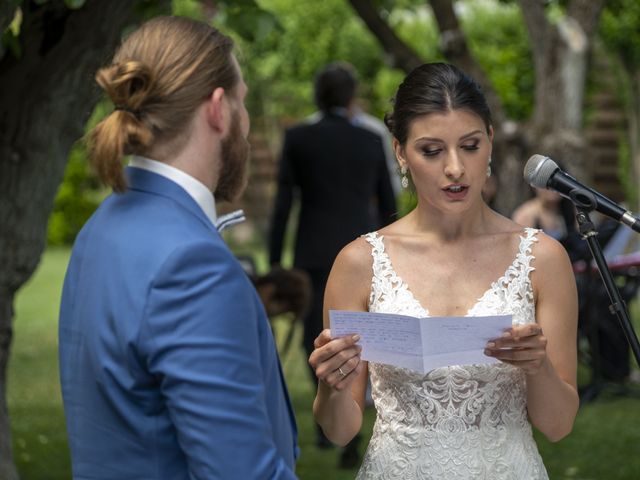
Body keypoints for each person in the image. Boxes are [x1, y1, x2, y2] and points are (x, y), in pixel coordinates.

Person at [309, 62, 579, 478]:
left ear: (490, 141)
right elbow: (340, 430)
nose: (455, 168)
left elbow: (558, 426)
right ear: (400, 152)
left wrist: (537, 365)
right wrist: (332, 384)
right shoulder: (359, 263)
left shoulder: (542, 258)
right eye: (432, 151)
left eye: (470, 146)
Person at [58, 16, 298, 479]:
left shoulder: (100, 228)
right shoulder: (193, 264)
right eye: (242, 103)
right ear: (217, 109)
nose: (245, 125)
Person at [269, 62, 397, 462]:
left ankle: (331, 425)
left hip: (313, 253)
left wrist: (275, 261)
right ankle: (351, 430)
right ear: (350, 97)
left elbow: (283, 203)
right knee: (361, 340)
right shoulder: (370, 141)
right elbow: (389, 206)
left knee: (317, 338)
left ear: (317, 96)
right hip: (363, 254)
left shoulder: (298, 138)